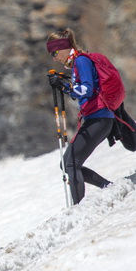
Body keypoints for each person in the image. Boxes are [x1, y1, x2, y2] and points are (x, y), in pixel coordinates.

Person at [46, 28, 114, 204]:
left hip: (99, 118)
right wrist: (65, 82)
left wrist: (66, 88)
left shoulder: (81, 61)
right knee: (66, 164)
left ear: (63, 48)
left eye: (54, 53)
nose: (54, 58)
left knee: (71, 164)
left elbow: (87, 89)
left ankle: (79, 208)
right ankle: (108, 187)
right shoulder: (77, 63)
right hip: (95, 118)